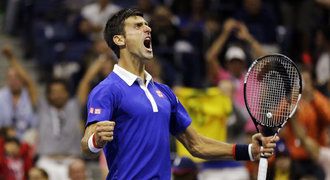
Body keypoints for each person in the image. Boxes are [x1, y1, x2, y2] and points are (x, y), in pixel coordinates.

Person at [80, 8, 278, 179]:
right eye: (138, 26)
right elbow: (87, 145)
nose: (147, 28)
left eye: (147, 25)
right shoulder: (107, 90)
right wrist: (96, 140)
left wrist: (249, 151)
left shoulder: (163, 92)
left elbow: (197, 144)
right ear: (119, 39)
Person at [0, 45, 38, 140]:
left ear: (22, 79)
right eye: (11, 77)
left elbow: (29, 82)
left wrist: (11, 58)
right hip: (5, 138)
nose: (14, 80)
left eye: (17, 77)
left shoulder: (29, 94)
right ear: (6, 80)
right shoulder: (1, 96)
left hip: (27, 140)